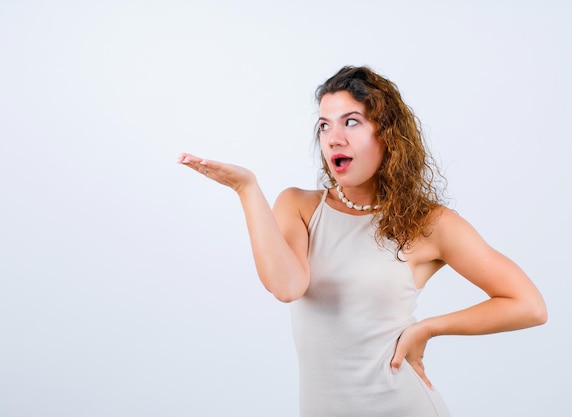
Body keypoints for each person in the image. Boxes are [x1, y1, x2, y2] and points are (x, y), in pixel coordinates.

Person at [178, 66, 547, 417]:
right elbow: (287, 286)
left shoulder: (428, 223)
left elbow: (528, 305)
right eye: (324, 126)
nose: (333, 137)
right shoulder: (299, 206)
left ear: (387, 134)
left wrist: (428, 328)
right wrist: (247, 189)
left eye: (351, 122)